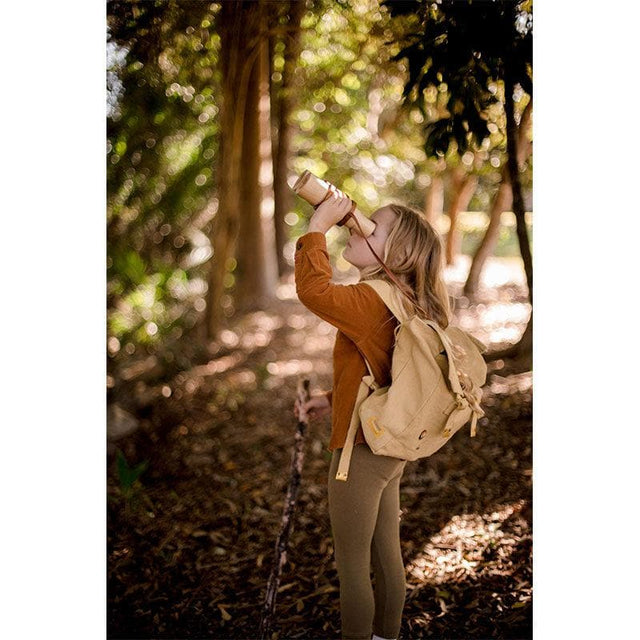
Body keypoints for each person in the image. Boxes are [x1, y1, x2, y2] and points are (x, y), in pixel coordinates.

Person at [293, 188, 452, 640]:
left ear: (395, 252)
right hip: (387, 444)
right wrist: (330, 397)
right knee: (386, 555)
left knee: (352, 569)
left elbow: (313, 291)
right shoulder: (401, 296)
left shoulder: (371, 297)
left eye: (371, 225)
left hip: (361, 452)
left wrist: (317, 227)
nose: (355, 223)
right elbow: (381, 369)